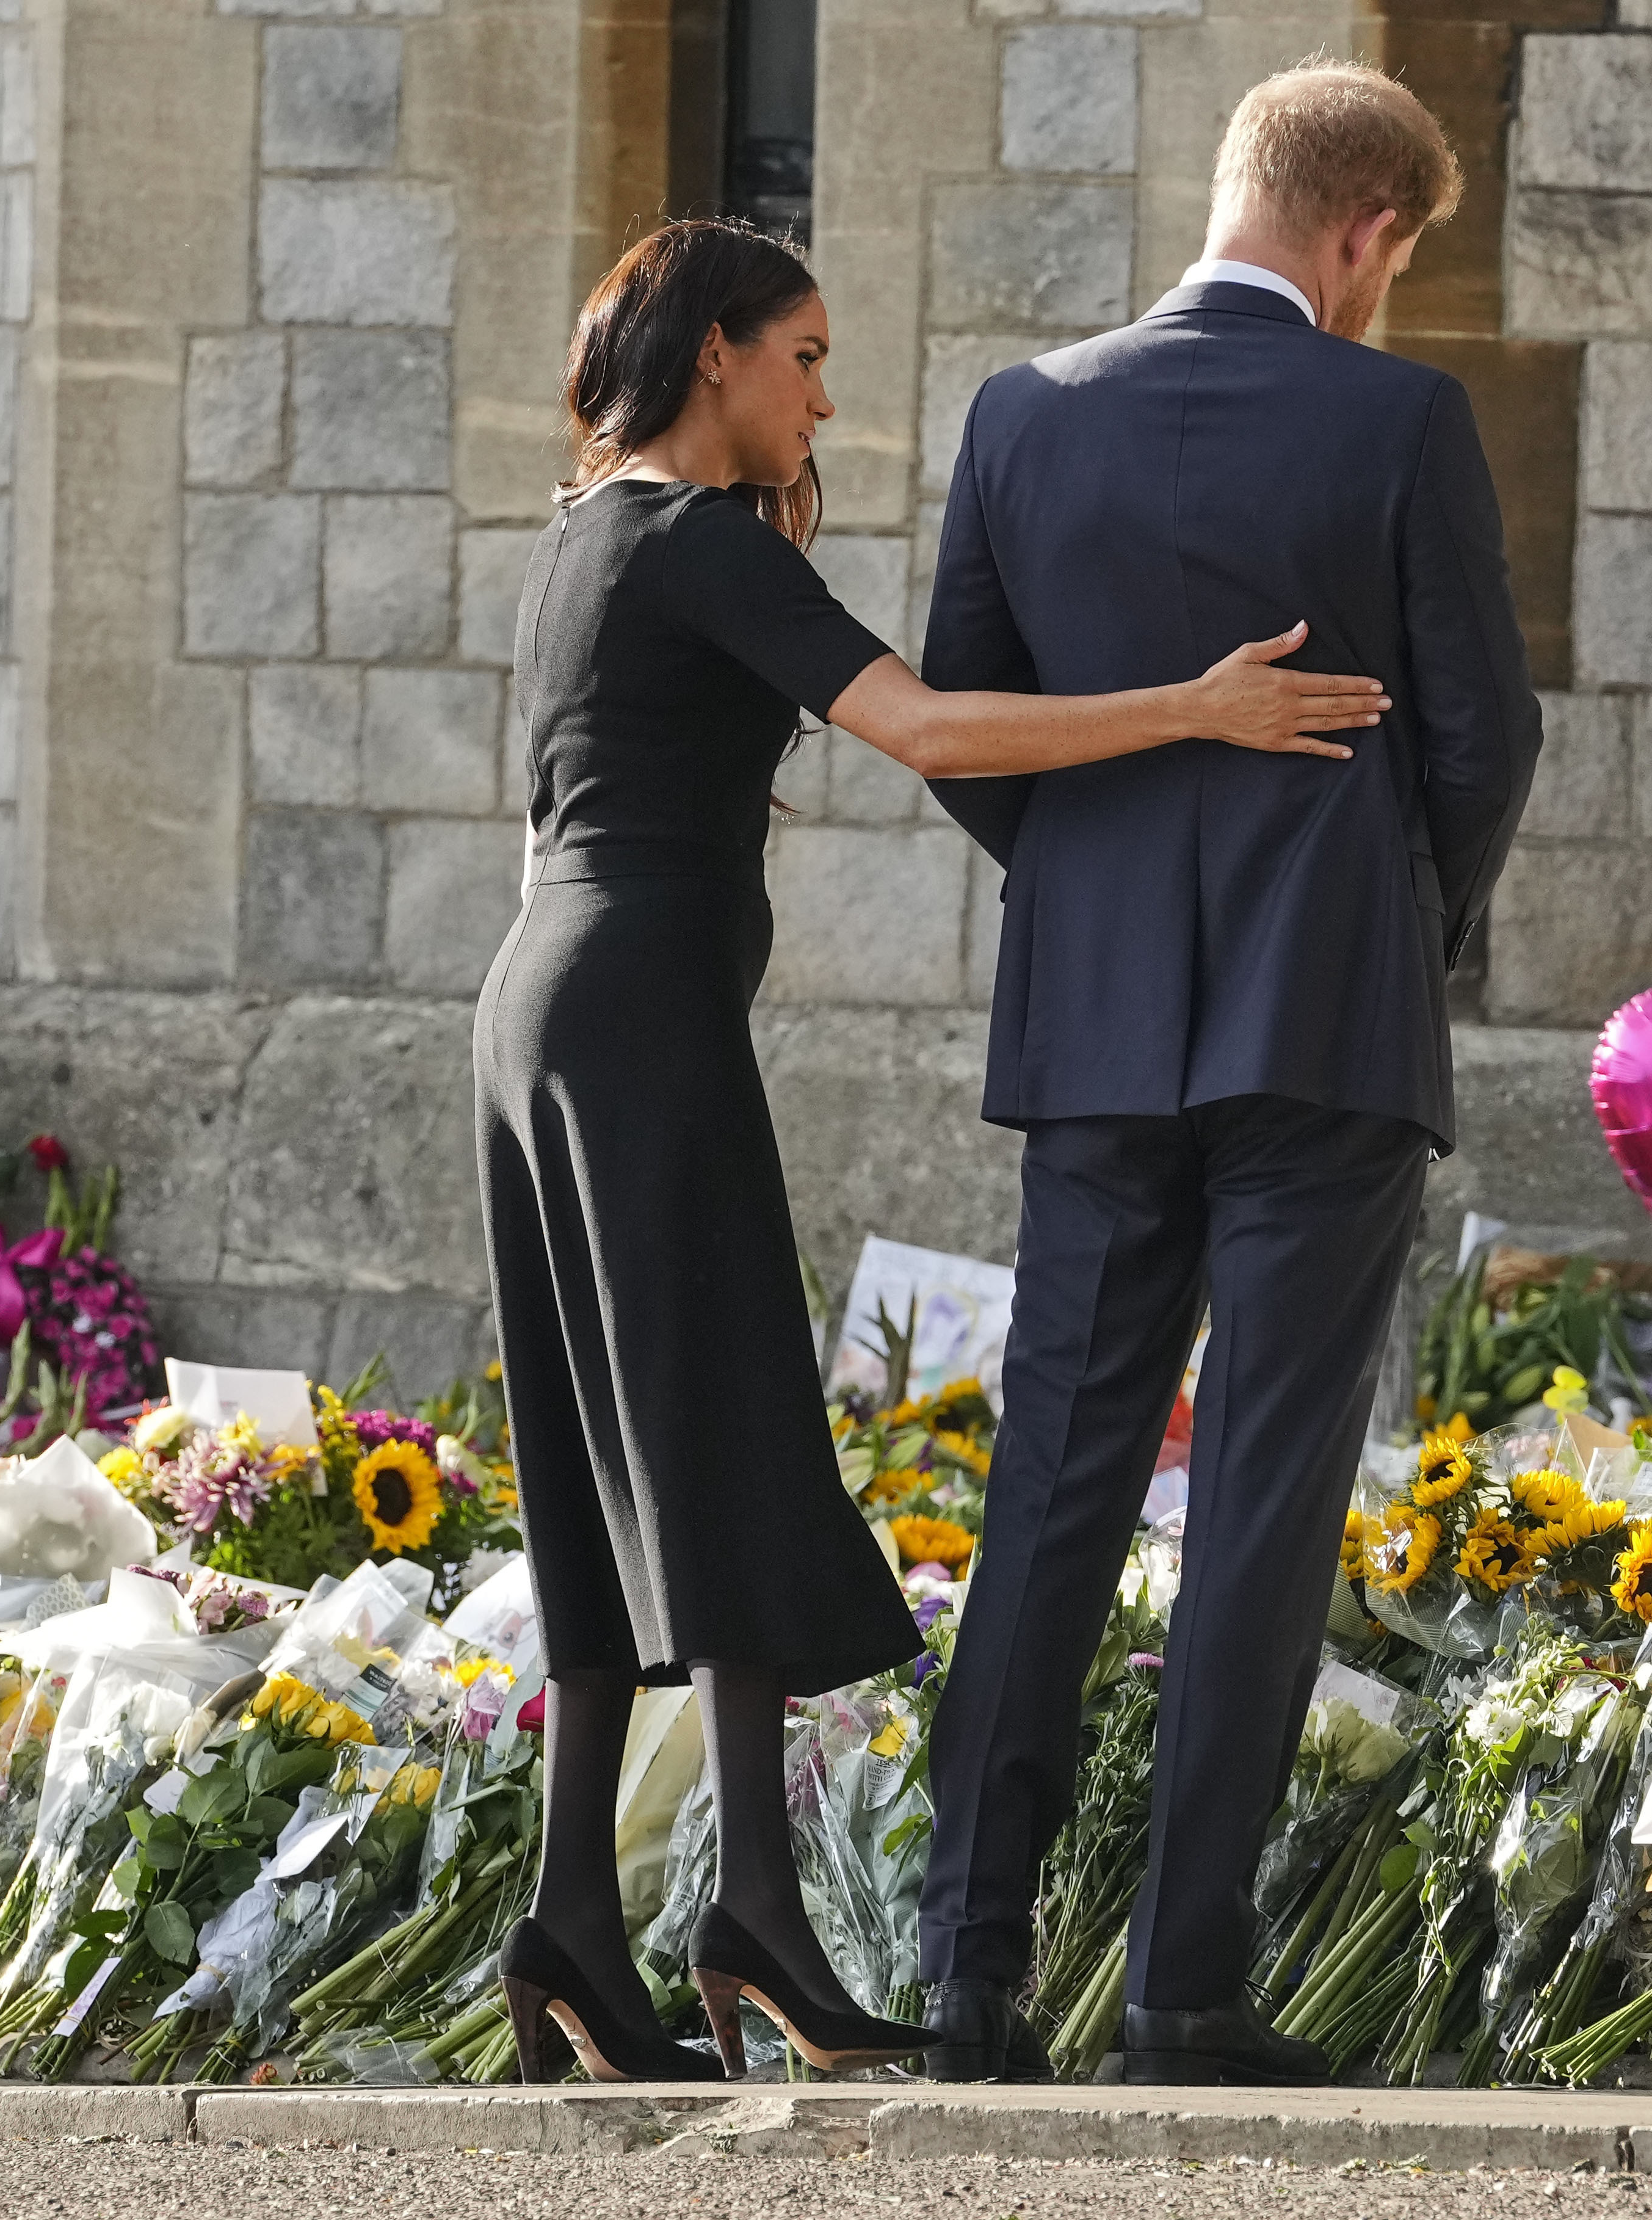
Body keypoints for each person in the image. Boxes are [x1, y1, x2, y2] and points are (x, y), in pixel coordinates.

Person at [476, 217, 1387, 2085]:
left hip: (542, 1009)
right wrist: (1195, 707)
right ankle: (745, 1925)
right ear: (716, 353)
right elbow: (925, 726)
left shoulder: (584, 537)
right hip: (635, 1016)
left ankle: (591, 1913)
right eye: (802, 355)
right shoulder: (696, 540)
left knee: (609, 1452)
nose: (824, 393)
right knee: (719, 1427)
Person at [913, 59, 1541, 2086]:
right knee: (1261, 1494)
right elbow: (1482, 734)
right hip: (1323, 1028)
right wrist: (1389, 910)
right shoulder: (1398, 417)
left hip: (1091, 1035)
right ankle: (1185, 1993)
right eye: (1394, 258)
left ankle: (966, 1974)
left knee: (1051, 1481)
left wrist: (1097, 896)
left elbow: (974, 722)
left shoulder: (1022, 415)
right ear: (1365, 231)